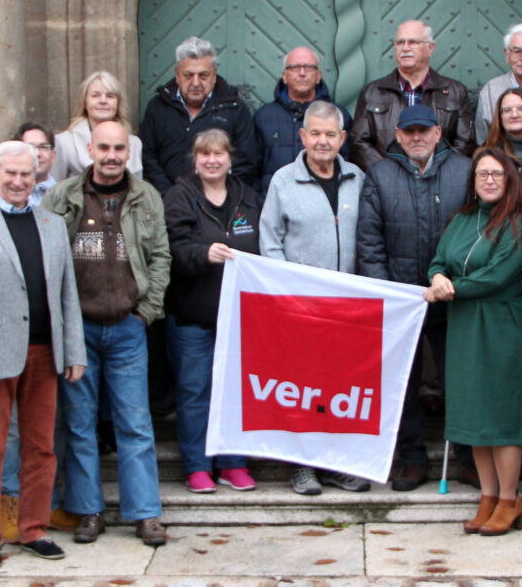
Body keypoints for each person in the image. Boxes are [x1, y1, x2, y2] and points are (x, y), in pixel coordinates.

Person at [0, 141, 87, 568]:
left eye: (25, 174)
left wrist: (74, 350)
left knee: (41, 447)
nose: (17, 181)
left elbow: (67, 293)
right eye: (9, 173)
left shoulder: (52, 224)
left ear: (36, 177)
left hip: (45, 351)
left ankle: (33, 529)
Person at [43, 121, 172, 546]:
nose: (112, 156)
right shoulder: (62, 197)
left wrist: (145, 313)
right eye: (104, 147)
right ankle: (88, 511)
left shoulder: (146, 196)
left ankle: (145, 513)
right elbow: (48, 260)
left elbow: (160, 257)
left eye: (119, 148)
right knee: (80, 424)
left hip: (127, 328)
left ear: (128, 152)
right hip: (78, 329)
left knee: (135, 424)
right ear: (90, 150)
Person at [425, 147, 522, 535]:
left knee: (501, 415)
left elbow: (497, 275)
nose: (489, 180)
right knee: (475, 414)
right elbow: (439, 259)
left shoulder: (521, 222)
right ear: (473, 180)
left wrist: (450, 288)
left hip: (502, 324)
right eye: (482, 174)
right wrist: (437, 277)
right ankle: (488, 497)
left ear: (510, 179)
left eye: (497, 173)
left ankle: (510, 499)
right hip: (465, 324)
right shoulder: (461, 219)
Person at [356, 105, 473, 491]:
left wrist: (462, 283)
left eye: (424, 130)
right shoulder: (380, 174)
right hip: (402, 299)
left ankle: (468, 457)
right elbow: (369, 240)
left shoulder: (464, 171)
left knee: (459, 378)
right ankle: (411, 457)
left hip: (453, 297)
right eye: (409, 132)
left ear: (438, 133)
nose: (417, 137)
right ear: (398, 135)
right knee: (401, 383)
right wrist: (387, 292)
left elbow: (477, 231)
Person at [260, 100, 368, 495]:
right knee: (303, 389)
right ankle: (302, 466)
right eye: (315, 133)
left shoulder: (358, 178)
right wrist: (289, 294)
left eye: (330, 134)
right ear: (303, 136)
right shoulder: (283, 181)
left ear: (342, 138)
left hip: (348, 307)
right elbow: (270, 241)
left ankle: (336, 464)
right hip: (302, 306)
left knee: (340, 390)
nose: (323, 141)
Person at [163, 129, 262, 493]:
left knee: (235, 392)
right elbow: (172, 249)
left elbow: (264, 245)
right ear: (195, 160)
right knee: (195, 393)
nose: (212, 160)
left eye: (219, 153)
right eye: (204, 154)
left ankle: (233, 463)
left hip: (239, 316)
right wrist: (202, 254)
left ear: (230, 159)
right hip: (193, 316)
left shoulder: (248, 197)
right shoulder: (179, 197)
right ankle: (198, 466)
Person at [139, 36, 259, 194]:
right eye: (188, 75)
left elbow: (245, 160)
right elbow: (147, 156)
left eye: (203, 76)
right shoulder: (158, 107)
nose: (195, 83)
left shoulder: (235, 108)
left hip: (220, 201)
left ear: (214, 77)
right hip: (167, 201)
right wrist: (171, 195)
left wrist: (217, 195)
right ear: (177, 76)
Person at [350, 20, 475, 170]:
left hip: (441, 180)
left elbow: (465, 142)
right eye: (400, 42)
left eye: (413, 42)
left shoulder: (456, 92)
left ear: (430, 48)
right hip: (387, 181)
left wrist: (437, 173)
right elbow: (359, 142)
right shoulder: (372, 93)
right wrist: (387, 173)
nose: (405, 48)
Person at [254, 46, 352, 194]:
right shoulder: (264, 116)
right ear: (284, 76)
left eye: (309, 68)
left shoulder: (338, 115)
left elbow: (348, 164)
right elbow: (252, 170)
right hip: (275, 200)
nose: (302, 73)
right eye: (295, 68)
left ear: (318, 76)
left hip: (325, 200)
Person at [51, 71, 143, 181]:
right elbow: (55, 184)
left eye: (110, 96)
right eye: (95, 95)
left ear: (118, 103)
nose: (103, 101)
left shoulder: (135, 143)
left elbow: (138, 186)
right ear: (85, 102)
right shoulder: (64, 142)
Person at [0, 123, 59, 210]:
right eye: (30, 147)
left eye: (43, 147)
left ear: (53, 155)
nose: (37, 153)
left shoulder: (63, 195)